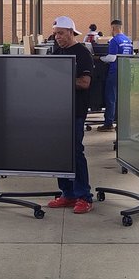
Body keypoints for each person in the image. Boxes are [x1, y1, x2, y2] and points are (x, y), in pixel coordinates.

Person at [47, 16, 95, 214]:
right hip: (57, 110)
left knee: (75, 152)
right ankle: (67, 194)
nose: (57, 37)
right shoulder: (56, 51)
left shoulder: (82, 53)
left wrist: (60, 79)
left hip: (75, 111)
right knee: (60, 152)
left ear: (71, 33)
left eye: (61, 33)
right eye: (55, 33)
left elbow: (84, 83)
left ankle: (84, 196)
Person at [98, 18, 133, 131]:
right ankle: (123, 123)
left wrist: (100, 58)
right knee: (123, 99)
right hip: (125, 71)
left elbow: (112, 58)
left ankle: (108, 123)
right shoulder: (128, 40)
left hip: (115, 72)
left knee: (111, 98)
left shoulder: (114, 40)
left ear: (113, 28)